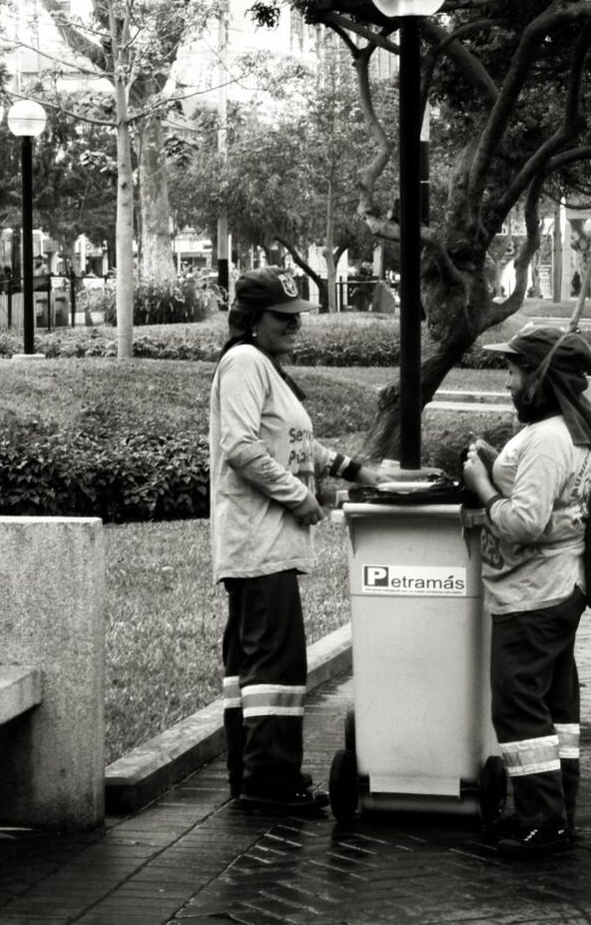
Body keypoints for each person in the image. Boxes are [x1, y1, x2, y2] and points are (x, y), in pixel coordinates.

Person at [210, 266, 384, 815]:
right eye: (283, 317)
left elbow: (296, 446)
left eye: (297, 317)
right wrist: (297, 496)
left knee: (254, 669)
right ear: (252, 320)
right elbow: (241, 448)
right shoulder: (244, 363)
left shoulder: (265, 366)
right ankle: (270, 783)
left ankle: (253, 778)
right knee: (275, 672)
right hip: (260, 546)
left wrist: (361, 471)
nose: (294, 326)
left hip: (266, 547)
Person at [462, 324, 591, 857]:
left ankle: (541, 821)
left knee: (519, 708)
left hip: (533, 595)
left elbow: (525, 523)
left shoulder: (547, 438)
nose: (508, 383)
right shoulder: (569, 430)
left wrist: (482, 485)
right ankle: (559, 811)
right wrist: (500, 460)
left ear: (540, 380)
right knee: (557, 707)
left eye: (516, 371)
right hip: (560, 588)